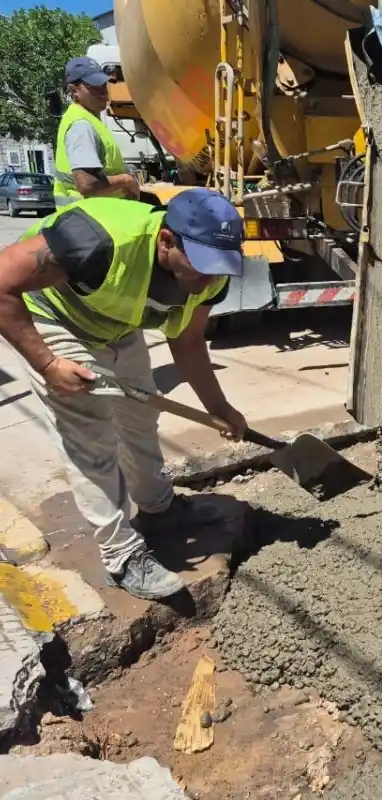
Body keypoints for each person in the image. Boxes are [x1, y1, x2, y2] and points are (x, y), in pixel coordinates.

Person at [0, 188, 248, 600]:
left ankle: (158, 507)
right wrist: (47, 364)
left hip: (116, 325)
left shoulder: (212, 274)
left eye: (220, 267)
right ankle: (121, 555)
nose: (210, 279)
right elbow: (2, 281)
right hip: (55, 318)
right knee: (91, 438)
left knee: (140, 418)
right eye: (202, 266)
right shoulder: (96, 241)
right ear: (166, 240)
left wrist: (219, 407)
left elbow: (187, 340)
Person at [53, 57, 139, 206]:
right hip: (91, 215)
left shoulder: (87, 118)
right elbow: (87, 185)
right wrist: (126, 180)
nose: (104, 94)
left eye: (104, 86)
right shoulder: (81, 125)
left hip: (93, 215)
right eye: (94, 87)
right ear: (74, 90)